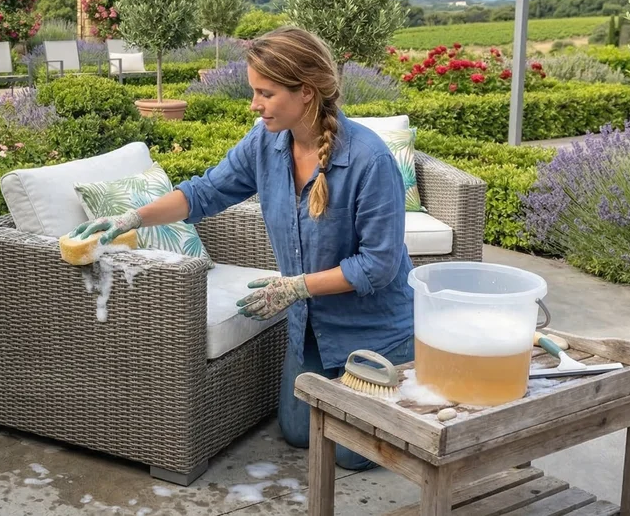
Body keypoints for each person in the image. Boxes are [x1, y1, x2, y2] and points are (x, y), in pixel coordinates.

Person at [70, 26, 414, 471]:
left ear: (306, 93)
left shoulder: (371, 160)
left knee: (349, 454)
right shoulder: (264, 143)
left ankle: (407, 370)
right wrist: (131, 217)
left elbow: (379, 265)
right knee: (297, 433)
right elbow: (205, 192)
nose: (254, 104)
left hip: (372, 330)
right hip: (311, 326)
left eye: (265, 93)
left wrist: (295, 288)